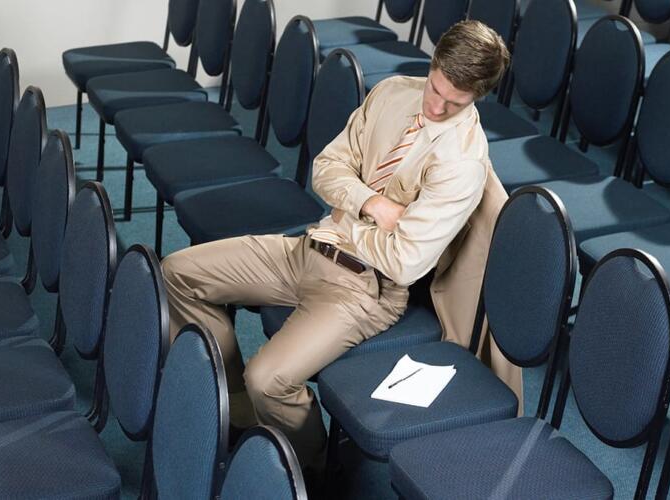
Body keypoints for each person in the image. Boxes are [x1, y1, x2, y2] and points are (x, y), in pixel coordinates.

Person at [161, 20, 520, 470]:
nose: (436, 106)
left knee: (268, 379)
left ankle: (307, 473)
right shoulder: (392, 93)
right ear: (433, 64)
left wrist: (347, 222)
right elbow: (326, 168)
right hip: (309, 248)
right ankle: (237, 410)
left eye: (454, 103)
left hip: (363, 289)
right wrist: (372, 204)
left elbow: (405, 261)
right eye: (435, 88)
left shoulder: (462, 162)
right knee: (178, 272)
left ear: (477, 98)